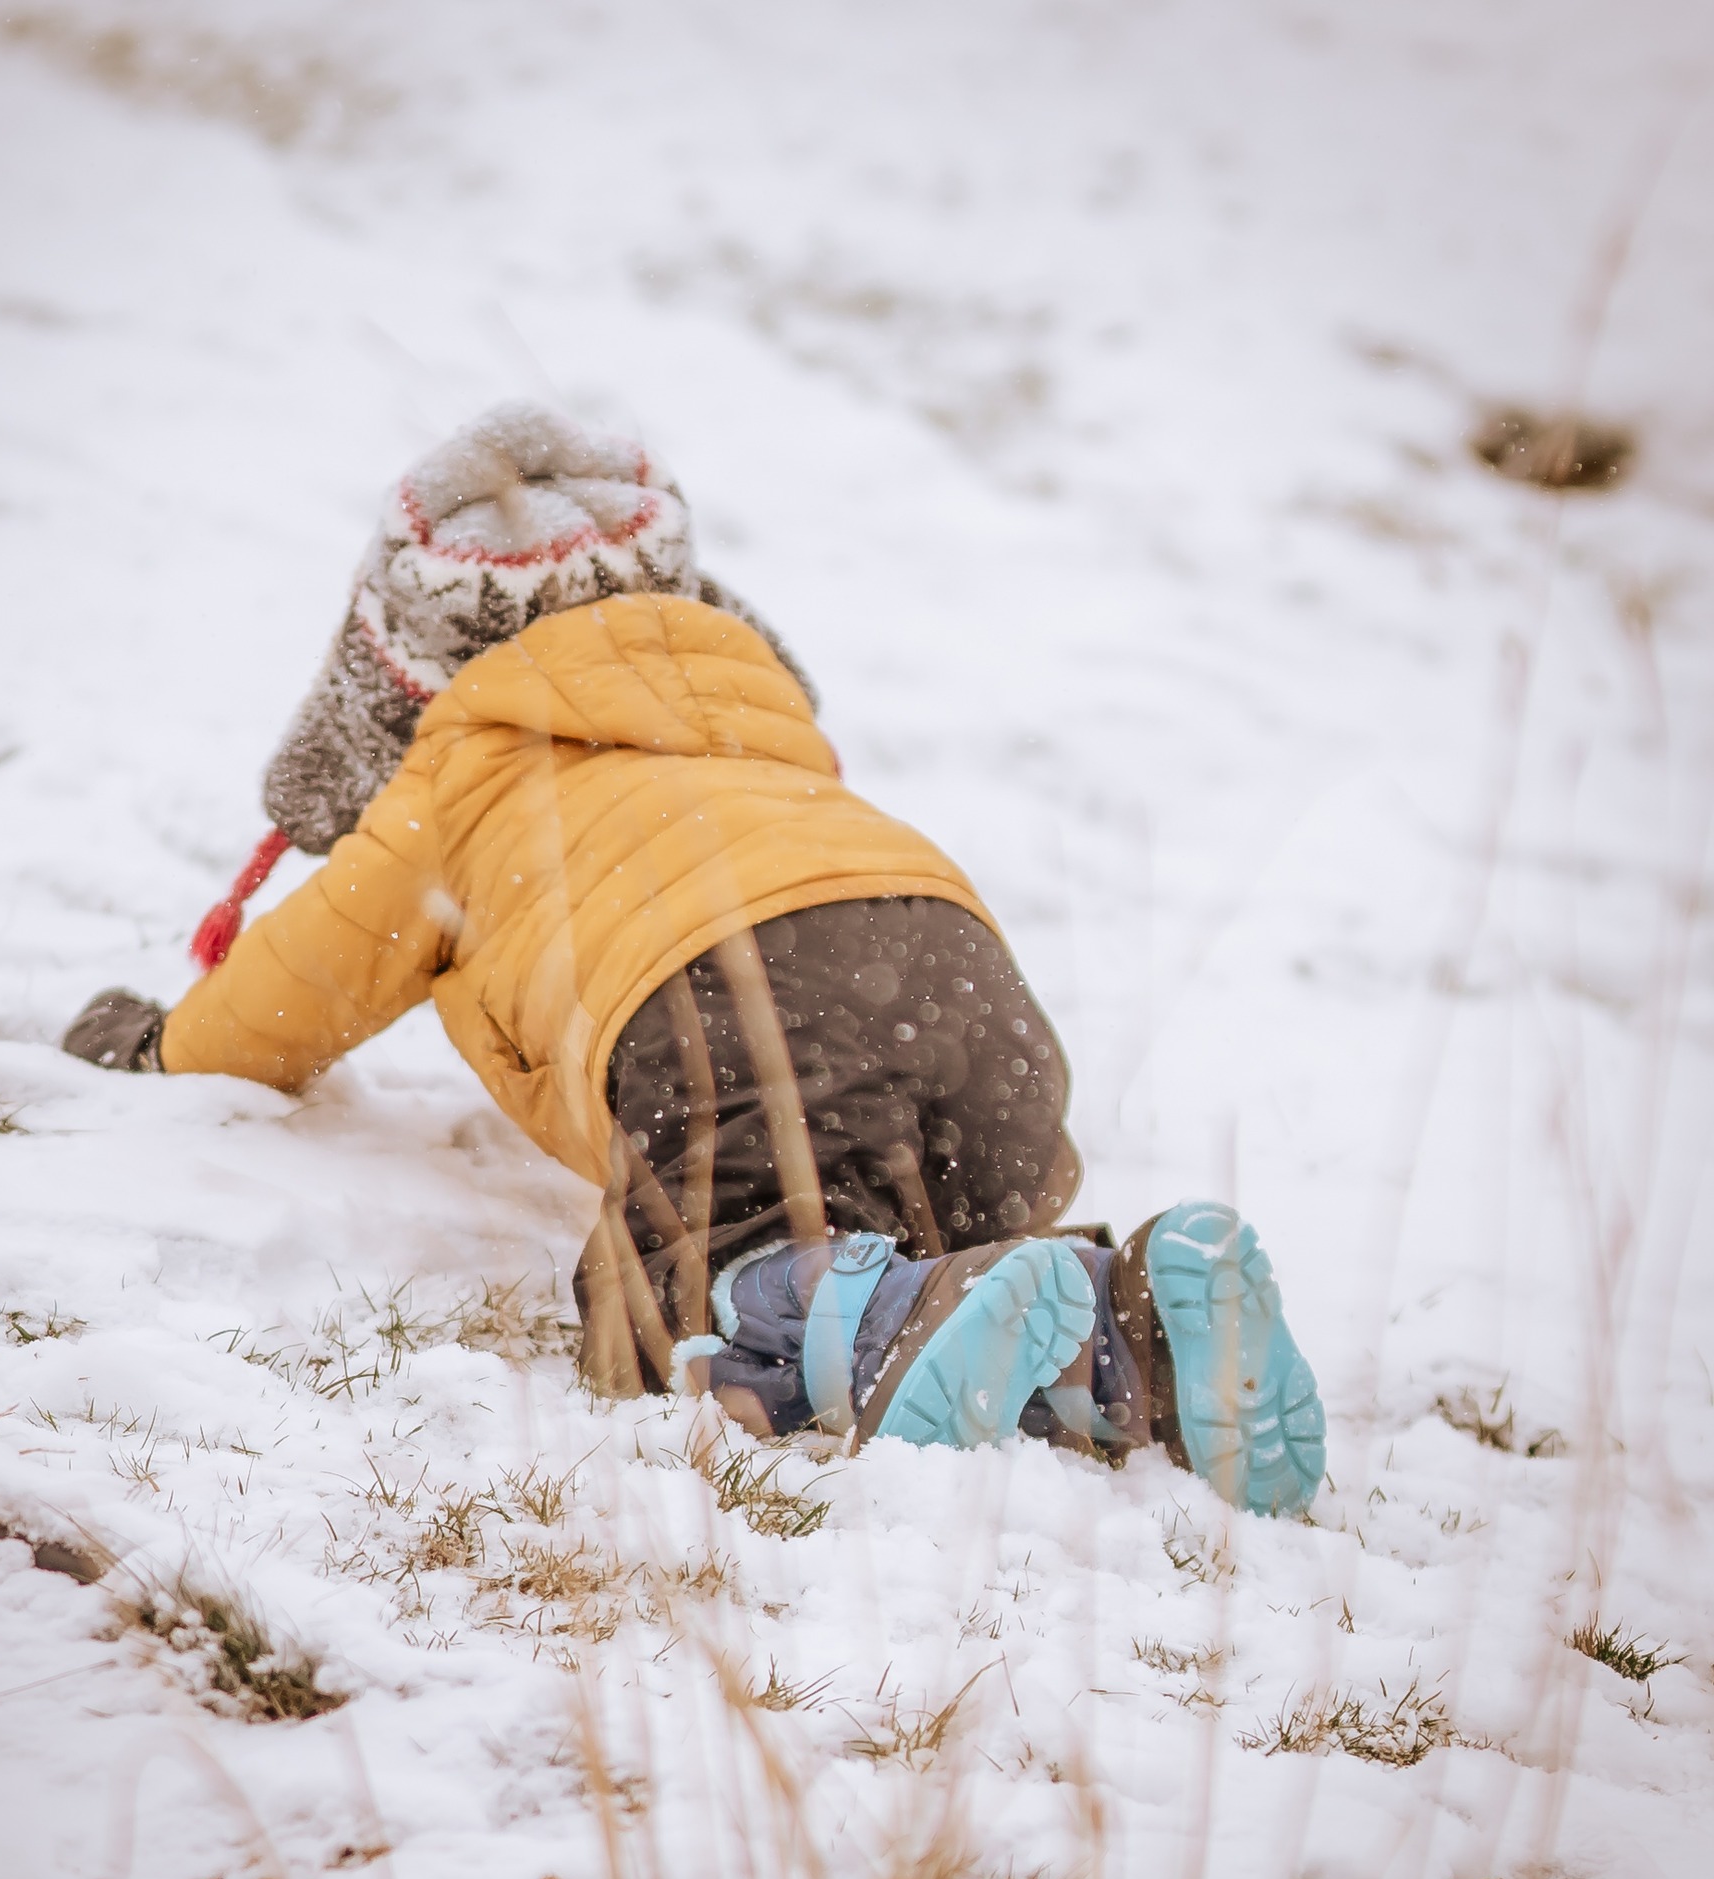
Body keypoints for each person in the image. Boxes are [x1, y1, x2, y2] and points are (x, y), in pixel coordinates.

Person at [64, 405, 1325, 1516]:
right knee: (937, 1239)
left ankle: (861, 1313)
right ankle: (1133, 1320)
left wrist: (163, 1046)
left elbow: (306, 976)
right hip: (962, 972)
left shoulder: (463, 770)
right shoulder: (753, 718)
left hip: (733, 993)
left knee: (674, 1302)